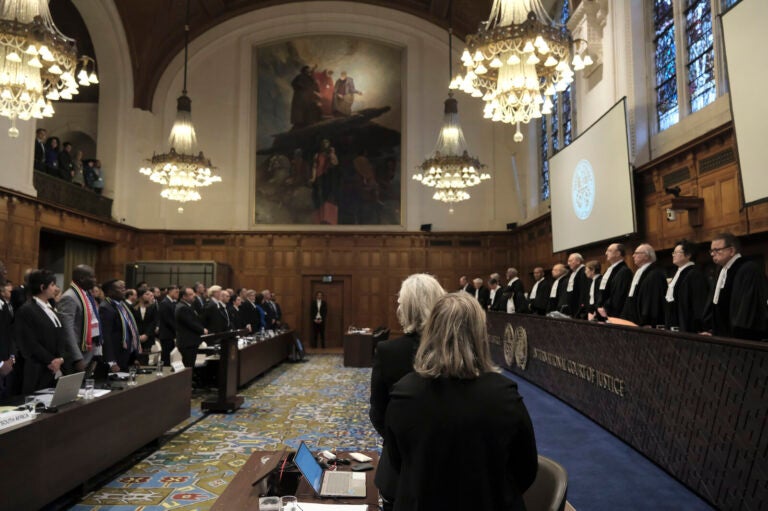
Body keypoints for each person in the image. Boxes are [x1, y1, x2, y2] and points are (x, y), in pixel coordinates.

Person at [384, 292, 538, 510]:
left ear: (431, 332)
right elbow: (526, 469)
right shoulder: (504, 395)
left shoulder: (404, 393)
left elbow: (398, 461)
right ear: (480, 335)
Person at [370, 273, 445, 511]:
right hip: (454, 468)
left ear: (408, 309)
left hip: (400, 469)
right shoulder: (458, 349)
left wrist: (401, 442)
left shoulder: (388, 351)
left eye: (400, 304)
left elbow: (379, 414)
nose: (397, 308)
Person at [704, 232, 768, 339]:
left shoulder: (748, 269)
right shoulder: (722, 270)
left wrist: (737, 336)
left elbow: (747, 308)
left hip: (742, 340)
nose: (712, 254)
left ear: (732, 251)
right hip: (723, 337)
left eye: (717, 250)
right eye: (711, 250)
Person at [15, 270, 66, 395]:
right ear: (42, 287)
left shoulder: (50, 308)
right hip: (38, 368)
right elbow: (29, 342)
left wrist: (60, 358)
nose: (56, 289)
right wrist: (51, 360)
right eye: (53, 285)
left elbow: (61, 336)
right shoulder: (26, 310)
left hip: (56, 366)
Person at [57, 265, 102, 373]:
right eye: (92, 277)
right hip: (78, 355)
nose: (95, 280)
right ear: (82, 278)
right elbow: (67, 330)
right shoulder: (69, 297)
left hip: (89, 351)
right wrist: (77, 358)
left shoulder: (86, 295)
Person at [665, 240, 708, 333]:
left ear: (688, 255)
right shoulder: (679, 272)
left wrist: (700, 328)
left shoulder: (694, 274)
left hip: (689, 327)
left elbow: (698, 303)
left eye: (677, 252)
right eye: (673, 252)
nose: (673, 255)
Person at [619, 244, 667, 327]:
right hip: (633, 320)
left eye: (636, 253)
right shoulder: (639, 272)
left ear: (646, 256)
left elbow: (653, 300)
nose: (633, 256)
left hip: (646, 322)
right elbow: (631, 297)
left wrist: (646, 320)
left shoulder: (655, 274)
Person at [100, 280, 141, 372]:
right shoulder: (106, 307)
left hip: (126, 356)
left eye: (124, 287)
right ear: (110, 291)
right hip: (116, 356)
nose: (124, 290)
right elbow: (106, 336)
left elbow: (130, 329)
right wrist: (111, 362)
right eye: (120, 288)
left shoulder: (123, 306)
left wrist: (134, 357)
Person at [597, 243, 633, 320]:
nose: (606, 253)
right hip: (602, 312)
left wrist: (605, 308)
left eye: (609, 251)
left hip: (614, 314)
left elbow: (619, 294)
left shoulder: (624, 271)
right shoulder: (609, 269)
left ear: (618, 253)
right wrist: (598, 306)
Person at [175, 287, 208, 368]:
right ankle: (187, 381)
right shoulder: (183, 307)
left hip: (189, 342)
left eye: (193, 293)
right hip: (187, 342)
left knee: (190, 365)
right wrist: (202, 330)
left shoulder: (187, 306)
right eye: (190, 294)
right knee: (188, 366)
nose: (194, 296)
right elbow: (191, 323)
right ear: (184, 297)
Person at [157, 285, 178, 366]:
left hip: (170, 334)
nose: (177, 294)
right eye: (176, 292)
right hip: (166, 334)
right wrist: (177, 330)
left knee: (169, 356)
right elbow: (168, 320)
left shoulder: (172, 302)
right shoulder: (165, 302)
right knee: (166, 357)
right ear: (169, 291)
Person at [564, 253, 590, 318]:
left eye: (570, 261)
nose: (568, 263)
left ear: (578, 261)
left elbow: (585, 290)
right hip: (573, 307)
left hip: (580, 308)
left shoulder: (583, 271)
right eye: (568, 261)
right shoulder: (573, 273)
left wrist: (582, 306)